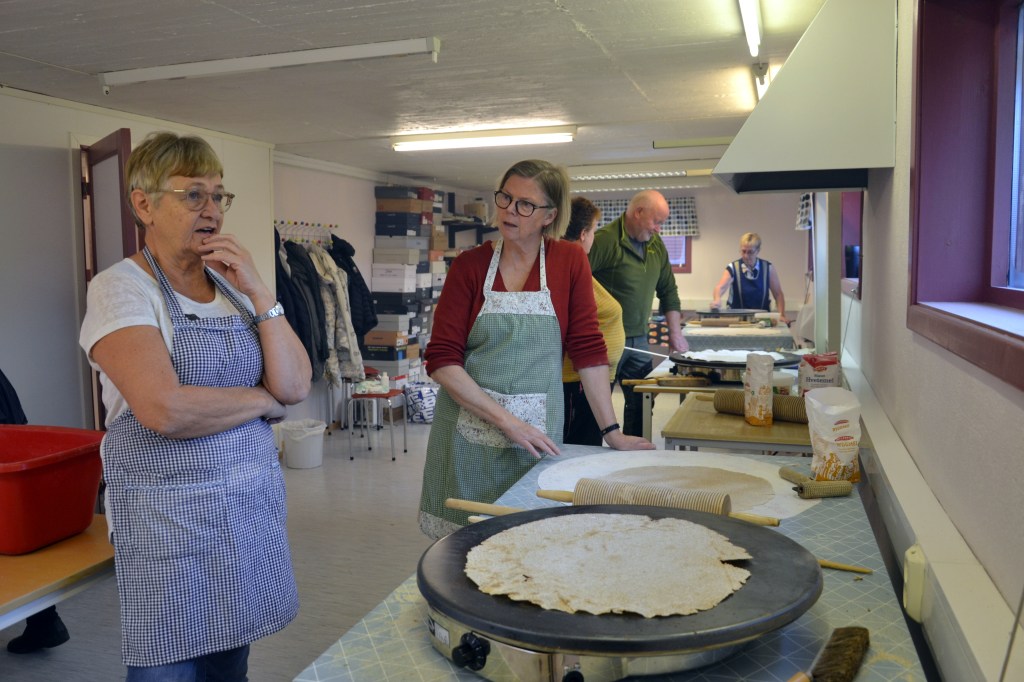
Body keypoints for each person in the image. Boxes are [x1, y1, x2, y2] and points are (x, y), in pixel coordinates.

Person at [78, 131, 311, 680]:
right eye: (193, 195)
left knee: (231, 662)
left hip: (244, 511)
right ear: (143, 204)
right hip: (170, 522)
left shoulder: (232, 288)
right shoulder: (122, 290)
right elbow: (166, 410)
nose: (211, 211)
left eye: (219, 196)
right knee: (168, 668)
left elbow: (296, 385)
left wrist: (260, 292)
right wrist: (262, 400)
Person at [418, 160, 654, 539]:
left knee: (531, 537)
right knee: (465, 544)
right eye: (506, 198)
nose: (510, 210)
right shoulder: (470, 266)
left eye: (525, 204)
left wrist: (612, 431)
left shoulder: (568, 260)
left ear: (550, 215)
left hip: (538, 434)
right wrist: (508, 422)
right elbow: (442, 359)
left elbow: (588, 349)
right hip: (468, 433)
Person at [588, 190, 688, 437]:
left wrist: (675, 334)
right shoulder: (604, 240)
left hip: (639, 340)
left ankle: (635, 456)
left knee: (643, 403)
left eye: (662, 223)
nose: (658, 229)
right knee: (595, 405)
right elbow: (574, 283)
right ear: (637, 212)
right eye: (657, 221)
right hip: (605, 341)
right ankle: (587, 457)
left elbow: (669, 292)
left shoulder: (656, 246)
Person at [560, 197, 625, 446]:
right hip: (576, 385)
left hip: (590, 383)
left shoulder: (578, 266)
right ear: (584, 234)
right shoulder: (568, 268)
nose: (594, 238)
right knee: (579, 452)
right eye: (594, 231)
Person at [710, 232, 789, 324]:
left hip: (762, 319)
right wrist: (717, 299)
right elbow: (720, 287)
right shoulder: (733, 267)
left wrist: (782, 315)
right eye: (743, 251)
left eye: (750, 252)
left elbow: (778, 294)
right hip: (737, 320)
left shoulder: (768, 268)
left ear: (758, 250)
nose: (746, 256)